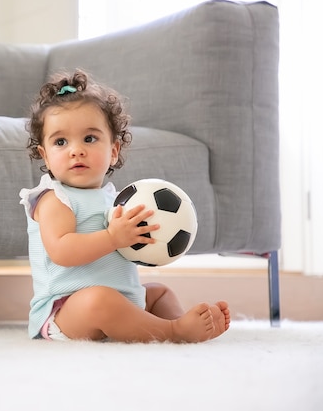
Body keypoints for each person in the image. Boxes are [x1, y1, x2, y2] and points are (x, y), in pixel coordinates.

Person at [19, 69, 230, 342]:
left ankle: (175, 320)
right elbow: (61, 251)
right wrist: (111, 237)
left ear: (114, 151)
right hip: (67, 311)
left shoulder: (119, 199)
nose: (76, 150)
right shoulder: (53, 198)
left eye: (90, 138)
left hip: (121, 300)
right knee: (100, 300)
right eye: (61, 141)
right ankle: (173, 332)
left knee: (158, 292)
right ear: (45, 156)